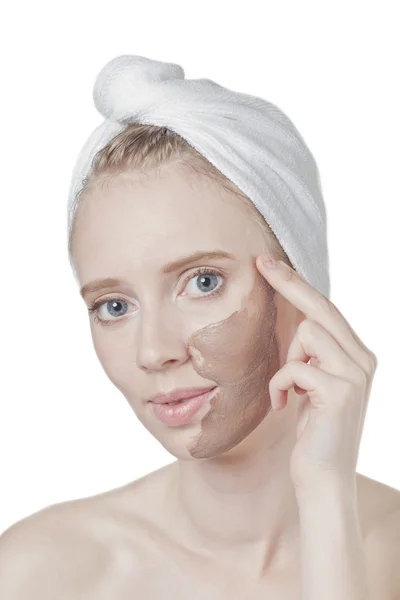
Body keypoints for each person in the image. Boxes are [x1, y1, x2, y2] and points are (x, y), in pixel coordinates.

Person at [1, 56, 399, 599]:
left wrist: (327, 497)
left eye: (203, 281)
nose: (153, 351)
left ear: (302, 284)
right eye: (114, 306)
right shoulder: (37, 573)